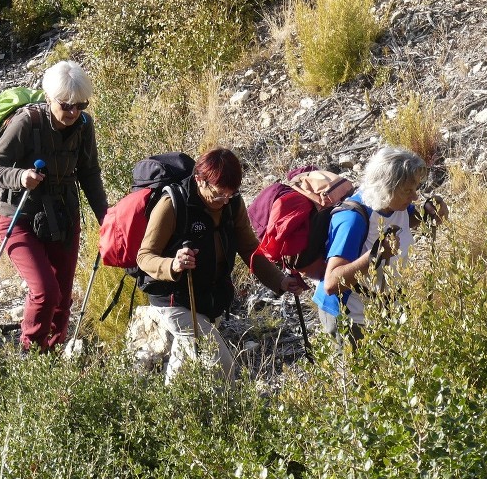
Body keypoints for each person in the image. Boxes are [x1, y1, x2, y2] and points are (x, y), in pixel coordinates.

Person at [136, 147, 308, 383]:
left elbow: (249, 250)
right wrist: (173, 264)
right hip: (175, 299)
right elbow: (144, 256)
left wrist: (279, 280)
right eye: (218, 194)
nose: (223, 201)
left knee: (183, 366)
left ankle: (171, 412)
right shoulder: (172, 203)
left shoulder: (232, 204)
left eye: (230, 194)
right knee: (220, 363)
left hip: (209, 298)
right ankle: (229, 415)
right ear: (199, 180)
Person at [0, 61, 108, 353]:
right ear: (49, 98)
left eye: (81, 105)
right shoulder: (26, 123)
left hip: (62, 216)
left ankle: (49, 361)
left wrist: (106, 216)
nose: (73, 112)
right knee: (45, 291)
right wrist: (20, 176)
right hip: (20, 216)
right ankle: (31, 355)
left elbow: (89, 173)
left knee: (62, 298)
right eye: (66, 105)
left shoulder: (83, 126)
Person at [313, 146, 448, 345]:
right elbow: (332, 284)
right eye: (408, 191)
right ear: (387, 188)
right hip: (350, 317)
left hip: (382, 310)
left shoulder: (396, 204)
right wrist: (374, 256)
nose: (415, 197)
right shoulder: (352, 220)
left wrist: (430, 211)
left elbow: (405, 220)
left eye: (416, 189)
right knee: (360, 376)